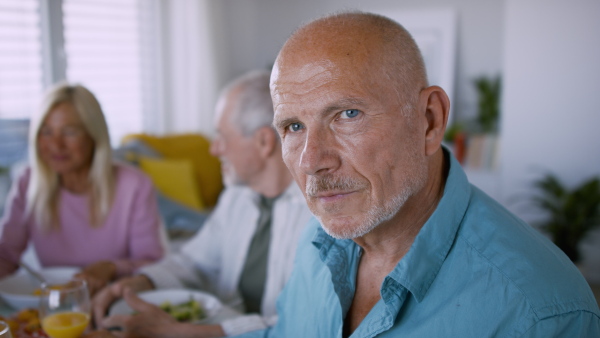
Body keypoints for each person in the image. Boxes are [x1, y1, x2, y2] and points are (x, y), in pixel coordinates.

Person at [235, 11, 600, 337]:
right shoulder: (317, 239)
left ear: (430, 120)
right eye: (294, 126)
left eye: (347, 115)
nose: (311, 162)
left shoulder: (542, 312)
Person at [91, 70, 313, 337]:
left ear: (263, 142)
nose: (214, 149)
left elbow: (305, 324)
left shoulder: (318, 215)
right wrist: (138, 283)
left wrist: (198, 332)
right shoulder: (238, 196)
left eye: (222, 137)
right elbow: (194, 262)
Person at [0, 83, 164, 295]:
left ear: (94, 136)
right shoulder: (27, 182)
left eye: (69, 132)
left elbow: (153, 266)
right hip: (52, 311)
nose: (56, 145)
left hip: (115, 304)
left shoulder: (134, 185)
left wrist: (111, 267)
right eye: (46, 131)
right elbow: (5, 257)